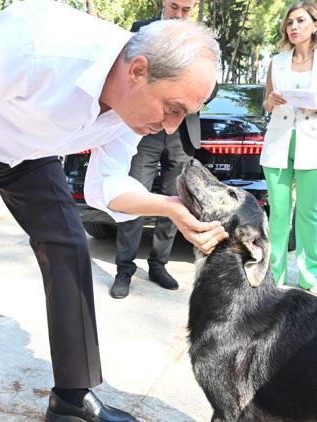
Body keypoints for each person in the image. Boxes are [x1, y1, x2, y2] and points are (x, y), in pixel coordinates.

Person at [0, 1, 225, 421]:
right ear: (138, 70)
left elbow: (105, 188)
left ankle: (72, 399)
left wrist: (170, 208)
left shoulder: (131, 112)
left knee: (70, 243)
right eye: (172, 109)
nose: (169, 128)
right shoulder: (40, 42)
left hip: (30, 152)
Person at [111, 0, 201, 299]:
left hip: (181, 132)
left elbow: (209, 85)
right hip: (144, 129)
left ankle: (159, 264)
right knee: (136, 194)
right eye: (175, 6)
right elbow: (126, 75)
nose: (179, 14)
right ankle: (124, 268)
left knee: (175, 199)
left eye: (186, 10)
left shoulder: (201, 38)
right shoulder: (140, 30)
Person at [261, 2, 317, 295]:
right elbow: (266, 103)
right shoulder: (277, 61)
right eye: (289, 23)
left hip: (314, 139)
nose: (293, 27)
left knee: (308, 212)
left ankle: (313, 277)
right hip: (278, 141)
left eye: (299, 21)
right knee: (279, 213)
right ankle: (273, 274)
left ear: (315, 25)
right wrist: (272, 100)